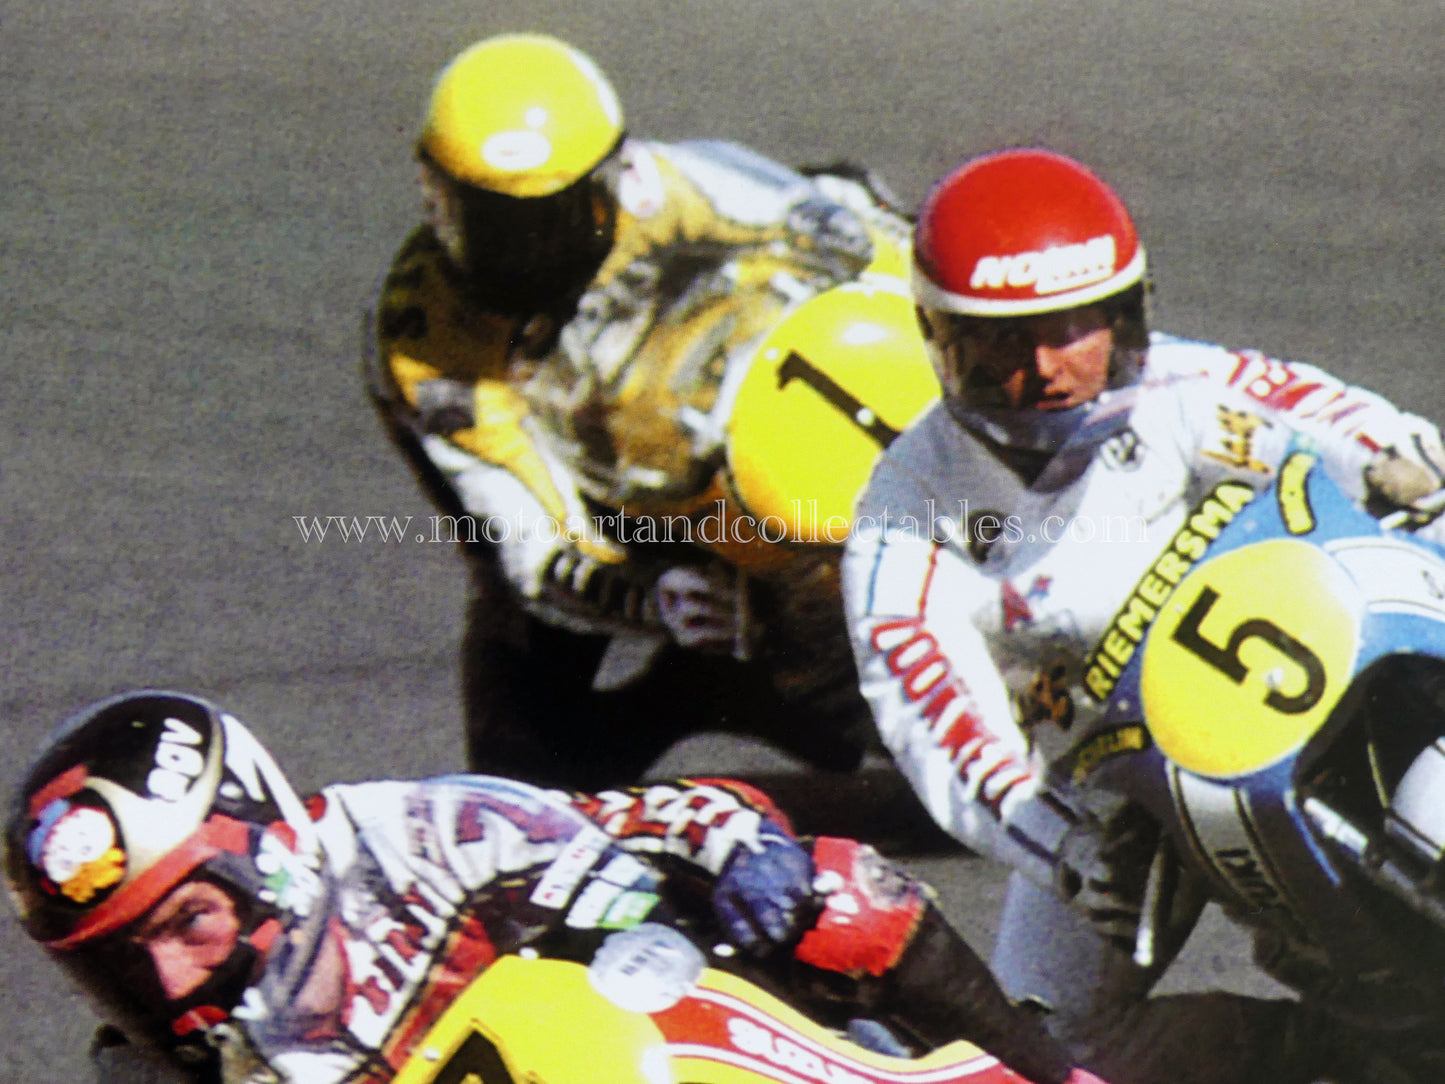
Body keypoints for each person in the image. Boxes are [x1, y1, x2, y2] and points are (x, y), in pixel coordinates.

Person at [840, 147, 1445, 1084]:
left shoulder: (1175, 388)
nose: (1043, 370)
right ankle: (1338, 1055)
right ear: (940, 339)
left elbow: (1304, 408)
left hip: (1321, 638)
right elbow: (933, 710)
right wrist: (1053, 840)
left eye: (1072, 327)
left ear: (1126, 315)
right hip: (1111, 788)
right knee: (1042, 1042)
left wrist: (1392, 454)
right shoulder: (907, 513)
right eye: (1002, 341)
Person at [5, 689, 1107, 1084]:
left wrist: (722, 866)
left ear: (268, 845)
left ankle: (1048, 1076)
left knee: (833, 897)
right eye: (115, 961)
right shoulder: (142, 1075)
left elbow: (659, 818)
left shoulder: (418, 834)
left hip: (645, 1052)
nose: (166, 979)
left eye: (187, 919)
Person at [362, 32, 932, 790]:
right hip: (617, 516)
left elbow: (869, 241)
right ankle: (700, 684)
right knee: (525, 785)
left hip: (777, 461)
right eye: (485, 221)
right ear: (432, 192)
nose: (521, 254)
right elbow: (531, 542)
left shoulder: (683, 190)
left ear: (612, 181)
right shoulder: (426, 337)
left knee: (874, 702)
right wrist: (652, 598)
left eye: (548, 221)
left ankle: (847, 692)